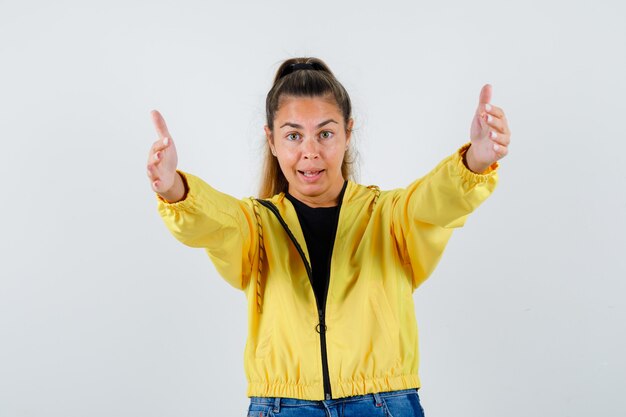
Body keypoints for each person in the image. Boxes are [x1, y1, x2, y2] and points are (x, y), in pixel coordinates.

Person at [146, 57, 511, 417]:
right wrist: (174, 187)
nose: (310, 151)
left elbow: (435, 201)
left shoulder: (387, 216)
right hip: (281, 407)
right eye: (293, 135)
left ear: (348, 133)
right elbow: (214, 220)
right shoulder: (257, 226)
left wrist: (476, 160)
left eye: (325, 133)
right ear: (271, 140)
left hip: (384, 404)